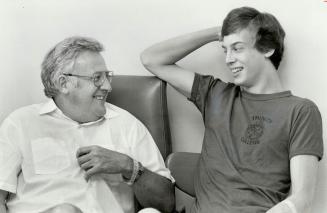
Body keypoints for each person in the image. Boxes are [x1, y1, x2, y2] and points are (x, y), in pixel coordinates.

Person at [141, 6, 323, 213]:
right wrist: (216, 33)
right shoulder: (215, 93)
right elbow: (152, 59)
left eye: (237, 48)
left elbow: (303, 198)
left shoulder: (301, 111)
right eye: (225, 50)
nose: (228, 59)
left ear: (267, 48)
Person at [0, 36, 175, 213]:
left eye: (107, 76)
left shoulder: (127, 124)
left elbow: (167, 204)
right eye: (97, 78)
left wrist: (128, 166)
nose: (108, 86)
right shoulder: (20, 123)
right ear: (64, 83)